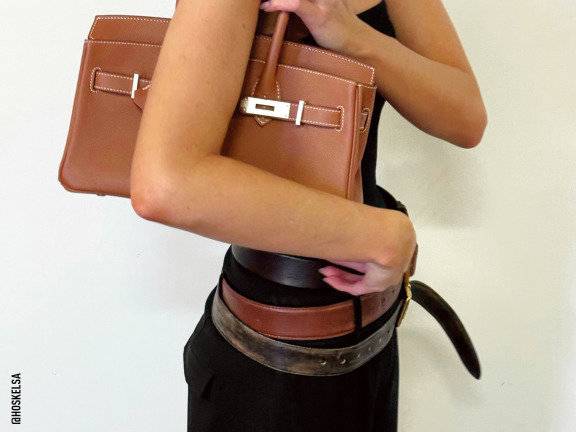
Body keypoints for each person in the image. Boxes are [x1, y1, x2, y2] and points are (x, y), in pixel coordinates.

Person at [129, 1, 487, 431]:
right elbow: (166, 185)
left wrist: (350, 34)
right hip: (271, 363)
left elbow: (465, 118)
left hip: (374, 339)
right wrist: (380, 235)